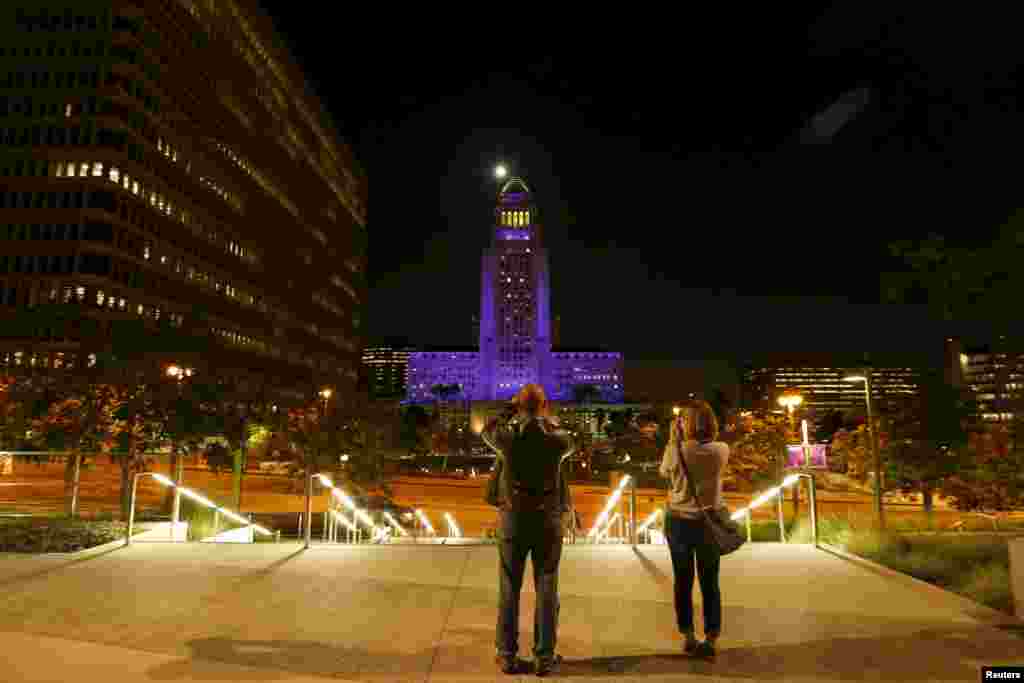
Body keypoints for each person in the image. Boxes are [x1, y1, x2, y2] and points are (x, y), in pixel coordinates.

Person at [481, 383, 574, 676]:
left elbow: (487, 430)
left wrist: (511, 409)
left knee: (509, 588)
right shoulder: (557, 440)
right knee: (547, 587)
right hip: (547, 521)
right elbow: (572, 440)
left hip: (514, 521)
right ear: (544, 406)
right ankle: (544, 656)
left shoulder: (509, 438)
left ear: (519, 406)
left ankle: (507, 654)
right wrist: (545, 419)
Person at [659, 401, 729, 659]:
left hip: (679, 521)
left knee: (683, 580)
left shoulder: (676, 451)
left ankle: (688, 635)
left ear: (685, 424)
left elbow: (664, 472)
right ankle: (711, 637)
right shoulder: (722, 450)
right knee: (710, 581)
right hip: (709, 522)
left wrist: (672, 439)